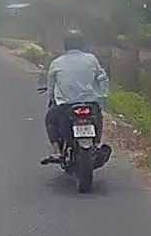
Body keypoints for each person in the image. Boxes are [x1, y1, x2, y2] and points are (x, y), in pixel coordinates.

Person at [42, 29, 108, 161]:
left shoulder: (57, 62)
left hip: (66, 106)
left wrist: (52, 100)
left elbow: (51, 88)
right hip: (90, 103)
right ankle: (96, 144)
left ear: (66, 44)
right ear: (82, 44)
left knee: (50, 119)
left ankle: (57, 151)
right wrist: (101, 97)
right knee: (98, 116)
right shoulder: (92, 59)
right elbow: (102, 78)